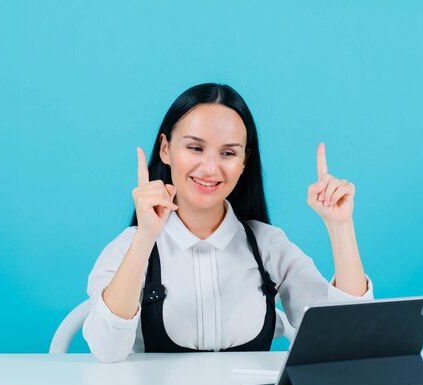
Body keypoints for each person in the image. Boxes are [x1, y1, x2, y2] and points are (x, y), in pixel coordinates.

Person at [83, 83, 373, 363]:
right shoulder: (130, 247)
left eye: (228, 153)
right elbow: (107, 351)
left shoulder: (267, 245)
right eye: (195, 148)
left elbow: (347, 339)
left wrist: (341, 227)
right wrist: (145, 238)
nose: (210, 168)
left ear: (244, 161)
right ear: (165, 149)